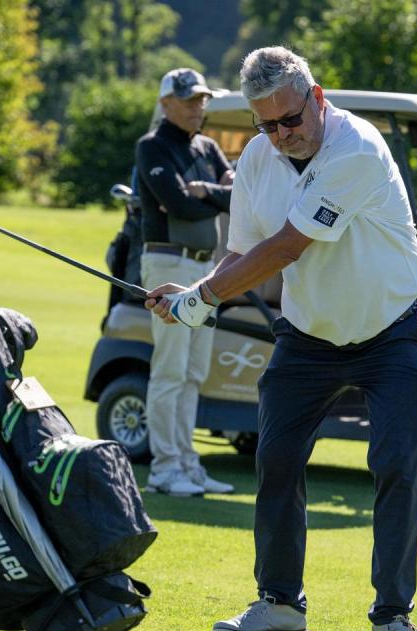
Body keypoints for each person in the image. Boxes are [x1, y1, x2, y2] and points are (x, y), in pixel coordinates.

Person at [146, 47, 417, 631]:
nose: (281, 135)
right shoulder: (258, 157)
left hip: (393, 327)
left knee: (396, 465)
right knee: (275, 459)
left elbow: (285, 248)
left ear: (317, 98)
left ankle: (393, 618)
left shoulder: (356, 149)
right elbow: (242, 253)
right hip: (308, 335)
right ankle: (279, 605)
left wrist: (201, 299)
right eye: (266, 124)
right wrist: (197, 293)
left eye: (290, 119)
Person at [135, 67, 236, 498]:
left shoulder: (207, 146)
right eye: (190, 99)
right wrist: (212, 196)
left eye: (202, 99)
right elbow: (177, 205)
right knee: (171, 369)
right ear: (166, 104)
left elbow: (238, 195)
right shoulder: (152, 146)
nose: (199, 106)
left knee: (194, 372)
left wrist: (205, 192)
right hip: (168, 264)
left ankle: (187, 463)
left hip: (205, 268)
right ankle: (165, 468)